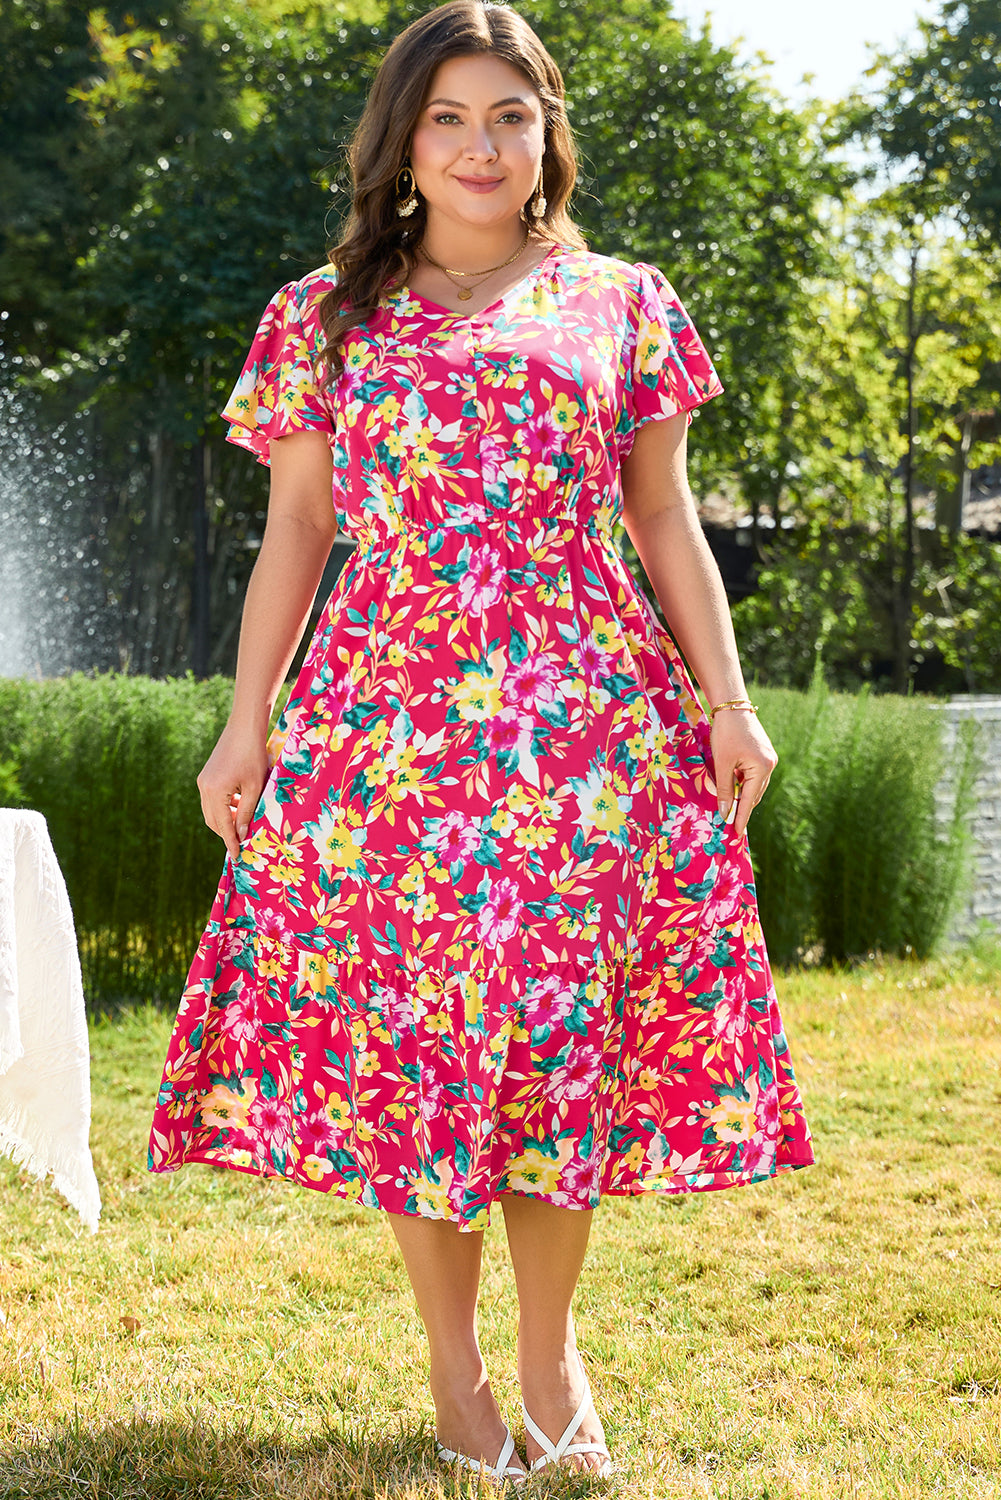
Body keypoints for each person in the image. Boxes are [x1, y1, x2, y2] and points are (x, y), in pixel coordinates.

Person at [148, 0, 814, 1481]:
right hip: (385, 733)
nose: (479, 145)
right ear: (403, 141)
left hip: (588, 724)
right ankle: (453, 1369)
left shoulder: (623, 302)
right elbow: (298, 531)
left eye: (509, 116)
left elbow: (662, 514)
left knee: (557, 1031)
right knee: (419, 1043)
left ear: (546, 136)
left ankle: (549, 1352)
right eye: (447, 116)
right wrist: (246, 723)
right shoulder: (318, 315)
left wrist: (729, 700)